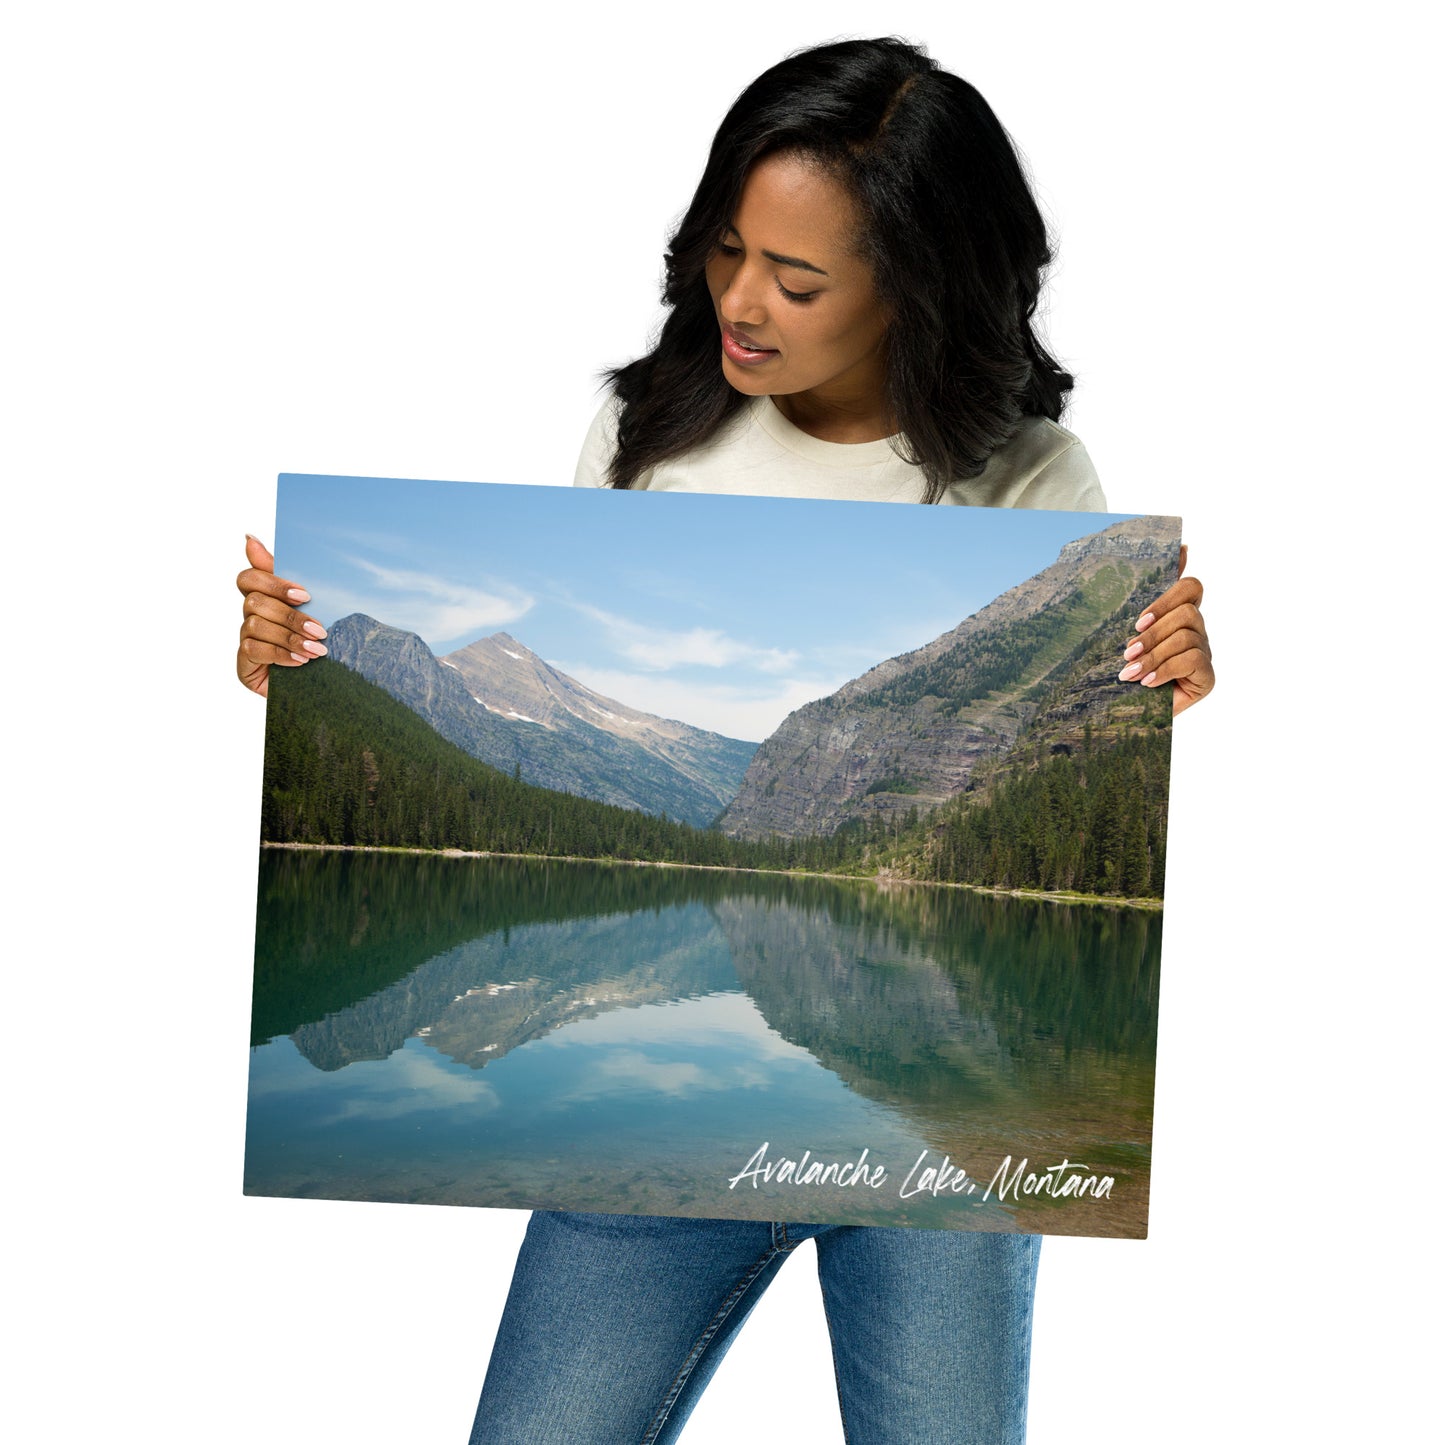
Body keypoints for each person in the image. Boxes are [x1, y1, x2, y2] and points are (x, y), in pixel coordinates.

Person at [237, 37, 1213, 1444]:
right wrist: (296, 671)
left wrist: (1162, 683)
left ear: (917, 287)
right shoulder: (644, 433)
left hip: (936, 1175)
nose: (742, 302)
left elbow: (1100, 732)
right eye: (726, 250)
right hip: (654, 1161)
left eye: (798, 280)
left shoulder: (1034, 480)